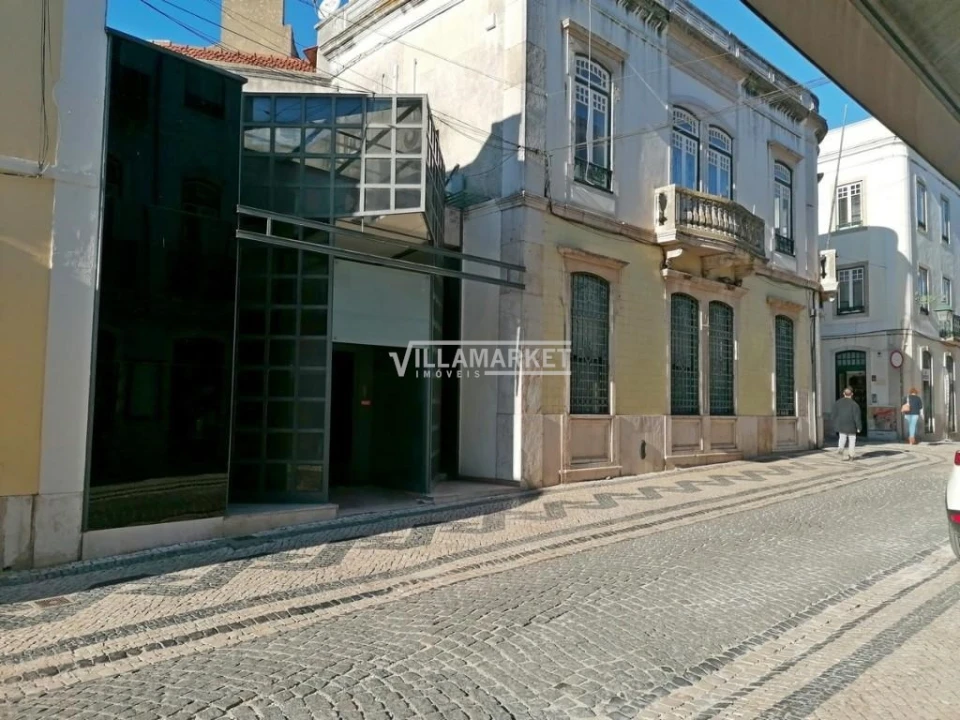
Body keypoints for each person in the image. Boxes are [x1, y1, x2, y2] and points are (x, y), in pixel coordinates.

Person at [833, 387, 863, 460]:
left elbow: (833, 415)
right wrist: (859, 427)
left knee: (842, 439)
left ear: (844, 394)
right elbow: (857, 417)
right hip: (851, 426)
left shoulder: (837, 403)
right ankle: (851, 455)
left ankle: (840, 449)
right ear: (852, 394)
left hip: (841, 425)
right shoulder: (855, 405)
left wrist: (836, 424)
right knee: (852, 440)